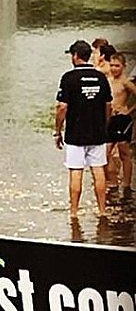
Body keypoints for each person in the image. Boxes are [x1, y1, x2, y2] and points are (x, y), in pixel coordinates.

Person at [54, 39, 112, 218]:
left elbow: (62, 107)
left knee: (76, 171)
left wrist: (58, 130)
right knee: (98, 170)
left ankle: (73, 213)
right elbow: (108, 105)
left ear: (75, 56)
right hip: (97, 132)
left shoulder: (68, 78)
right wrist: (105, 124)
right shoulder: (100, 77)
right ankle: (102, 211)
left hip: (76, 133)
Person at [105, 52, 136, 193]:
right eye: (111, 65)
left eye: (117, 66)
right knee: (105, 152)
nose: (114, 68)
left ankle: (126, 184)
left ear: (124, 66)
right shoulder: (107, 80)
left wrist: (128, 111)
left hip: (122, 119)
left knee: (124, 153)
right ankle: (112, 180)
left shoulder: (126, 82)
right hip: (109, 119)